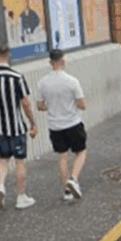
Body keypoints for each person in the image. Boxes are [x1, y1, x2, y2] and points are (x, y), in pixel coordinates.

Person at [0, 42, 38, 210]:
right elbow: (26, 104)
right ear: (8, 55)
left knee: (3, 159)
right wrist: (33, 123)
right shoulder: (17, 77)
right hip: (16, 127)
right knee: (20, 161)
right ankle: (21, 197)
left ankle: (0, 186)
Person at [36, 50, 88, 201]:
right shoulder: (72, 81)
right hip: (73, 123)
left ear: (50, 63)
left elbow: (40, 106)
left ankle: (67, 191)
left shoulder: (43, 82)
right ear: (63, 62)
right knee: (81, 152)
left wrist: (51, 107)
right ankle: (73, 178)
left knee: (62, 156)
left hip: (55, 126)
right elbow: (82, 105)